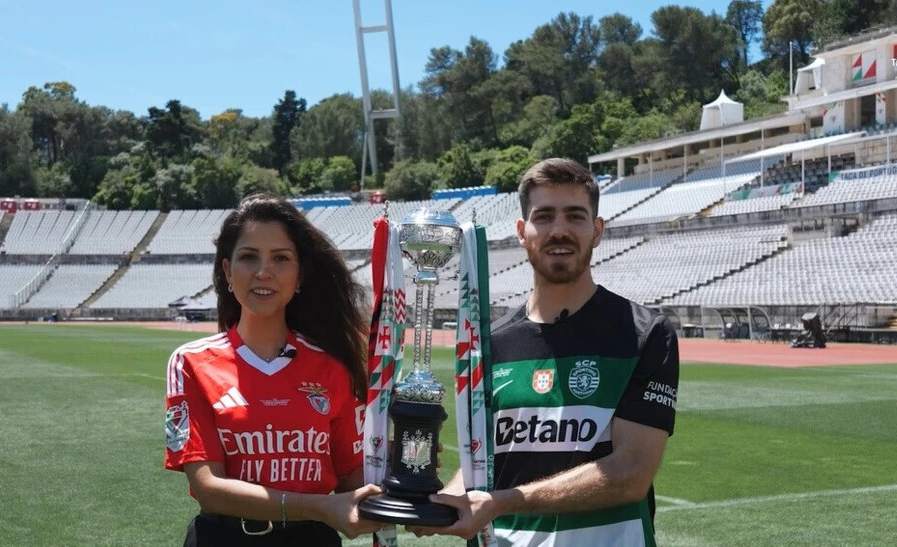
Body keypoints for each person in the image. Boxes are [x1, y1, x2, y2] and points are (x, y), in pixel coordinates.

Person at [409, 158, 680, 546]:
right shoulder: (489, 342)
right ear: (522, 231)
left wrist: (503, 502)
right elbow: (482, 465)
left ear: (597, 230)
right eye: (544, 217)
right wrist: (436, 501)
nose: (559, 230)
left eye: (575, 216)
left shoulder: (644, 334)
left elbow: (631, 474)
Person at [163, 194, 384, 546]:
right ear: (227, 271)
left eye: (281, 258)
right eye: (249, 257)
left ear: (299, 276)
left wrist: (403, 464)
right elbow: (209, 490)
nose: (263, 271)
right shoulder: (190, 362)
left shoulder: (334, 368)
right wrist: (321, 508)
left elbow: (351, 480)